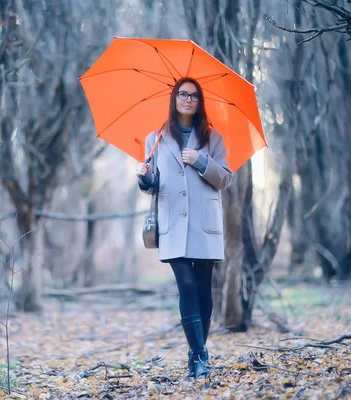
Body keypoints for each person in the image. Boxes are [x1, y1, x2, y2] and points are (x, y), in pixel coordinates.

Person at [136, 77, 233, 379]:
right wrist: (144, 177)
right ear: (174, 98)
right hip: (173, 223)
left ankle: (196, 357)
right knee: (187, 285)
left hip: (204, 225)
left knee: (203, 289)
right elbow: (154, 185)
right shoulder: (157, 138)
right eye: (183, 94)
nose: (188, 99)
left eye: (194, 95)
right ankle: (201, 354)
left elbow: (226, 178)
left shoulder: (213, 139)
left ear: (200, 101)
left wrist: (201, 161)